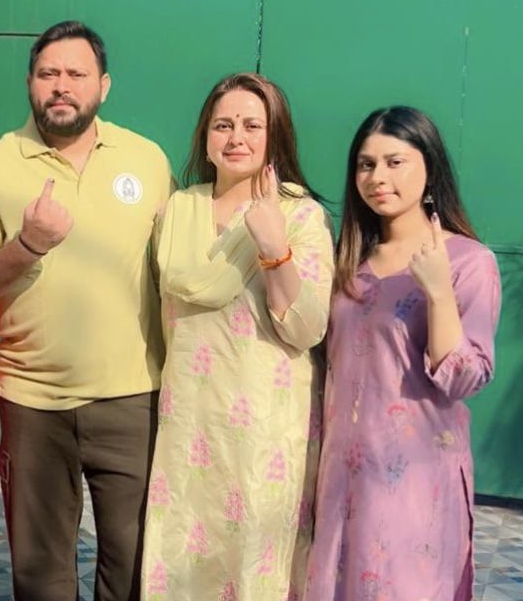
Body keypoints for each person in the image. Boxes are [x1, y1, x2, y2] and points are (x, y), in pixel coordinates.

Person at [0, 20, 173, 601]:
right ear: (30, 83)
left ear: (104, 85)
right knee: (40, 575)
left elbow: (177, 269)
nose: (61, 86)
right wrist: (27, 246)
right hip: (32, 403)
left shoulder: (146, 161)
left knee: (134, 566)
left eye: (76, 74)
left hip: (132, 398)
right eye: (49, 74)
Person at [141, 73, 333, 600]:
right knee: (179, 555)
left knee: (250, 568)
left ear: (276, 137)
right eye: (223, 125)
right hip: (187, 422)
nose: (236, 138)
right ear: (205, 136)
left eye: (253, 125)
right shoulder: (177, 210)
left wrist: (273, 247)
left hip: (262, 429)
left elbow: (308, 326)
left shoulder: (299, 214)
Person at [304, 106, 501, 600]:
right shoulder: (350, 262)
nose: (378, 178)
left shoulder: (468, 262)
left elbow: (463, 378)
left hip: (415, 481)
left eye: (396, 162)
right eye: (366, 165)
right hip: (342, 478)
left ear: (429, 168)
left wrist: (436, 292)